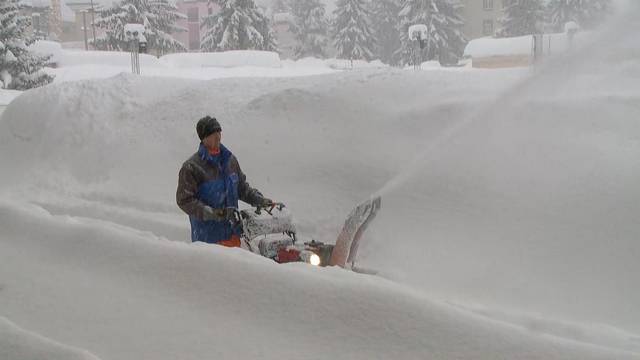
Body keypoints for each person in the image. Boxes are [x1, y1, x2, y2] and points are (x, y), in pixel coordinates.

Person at [177, 116, 273, 247]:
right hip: (208, 241)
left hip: (234, 236)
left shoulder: (230, 160)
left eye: (219, 132)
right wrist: (214, 213)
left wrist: (258, 200)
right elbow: (184, 200)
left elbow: (242, 188)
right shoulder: (192, 167)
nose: (218, 136)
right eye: (213, 133)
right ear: (204, 138)